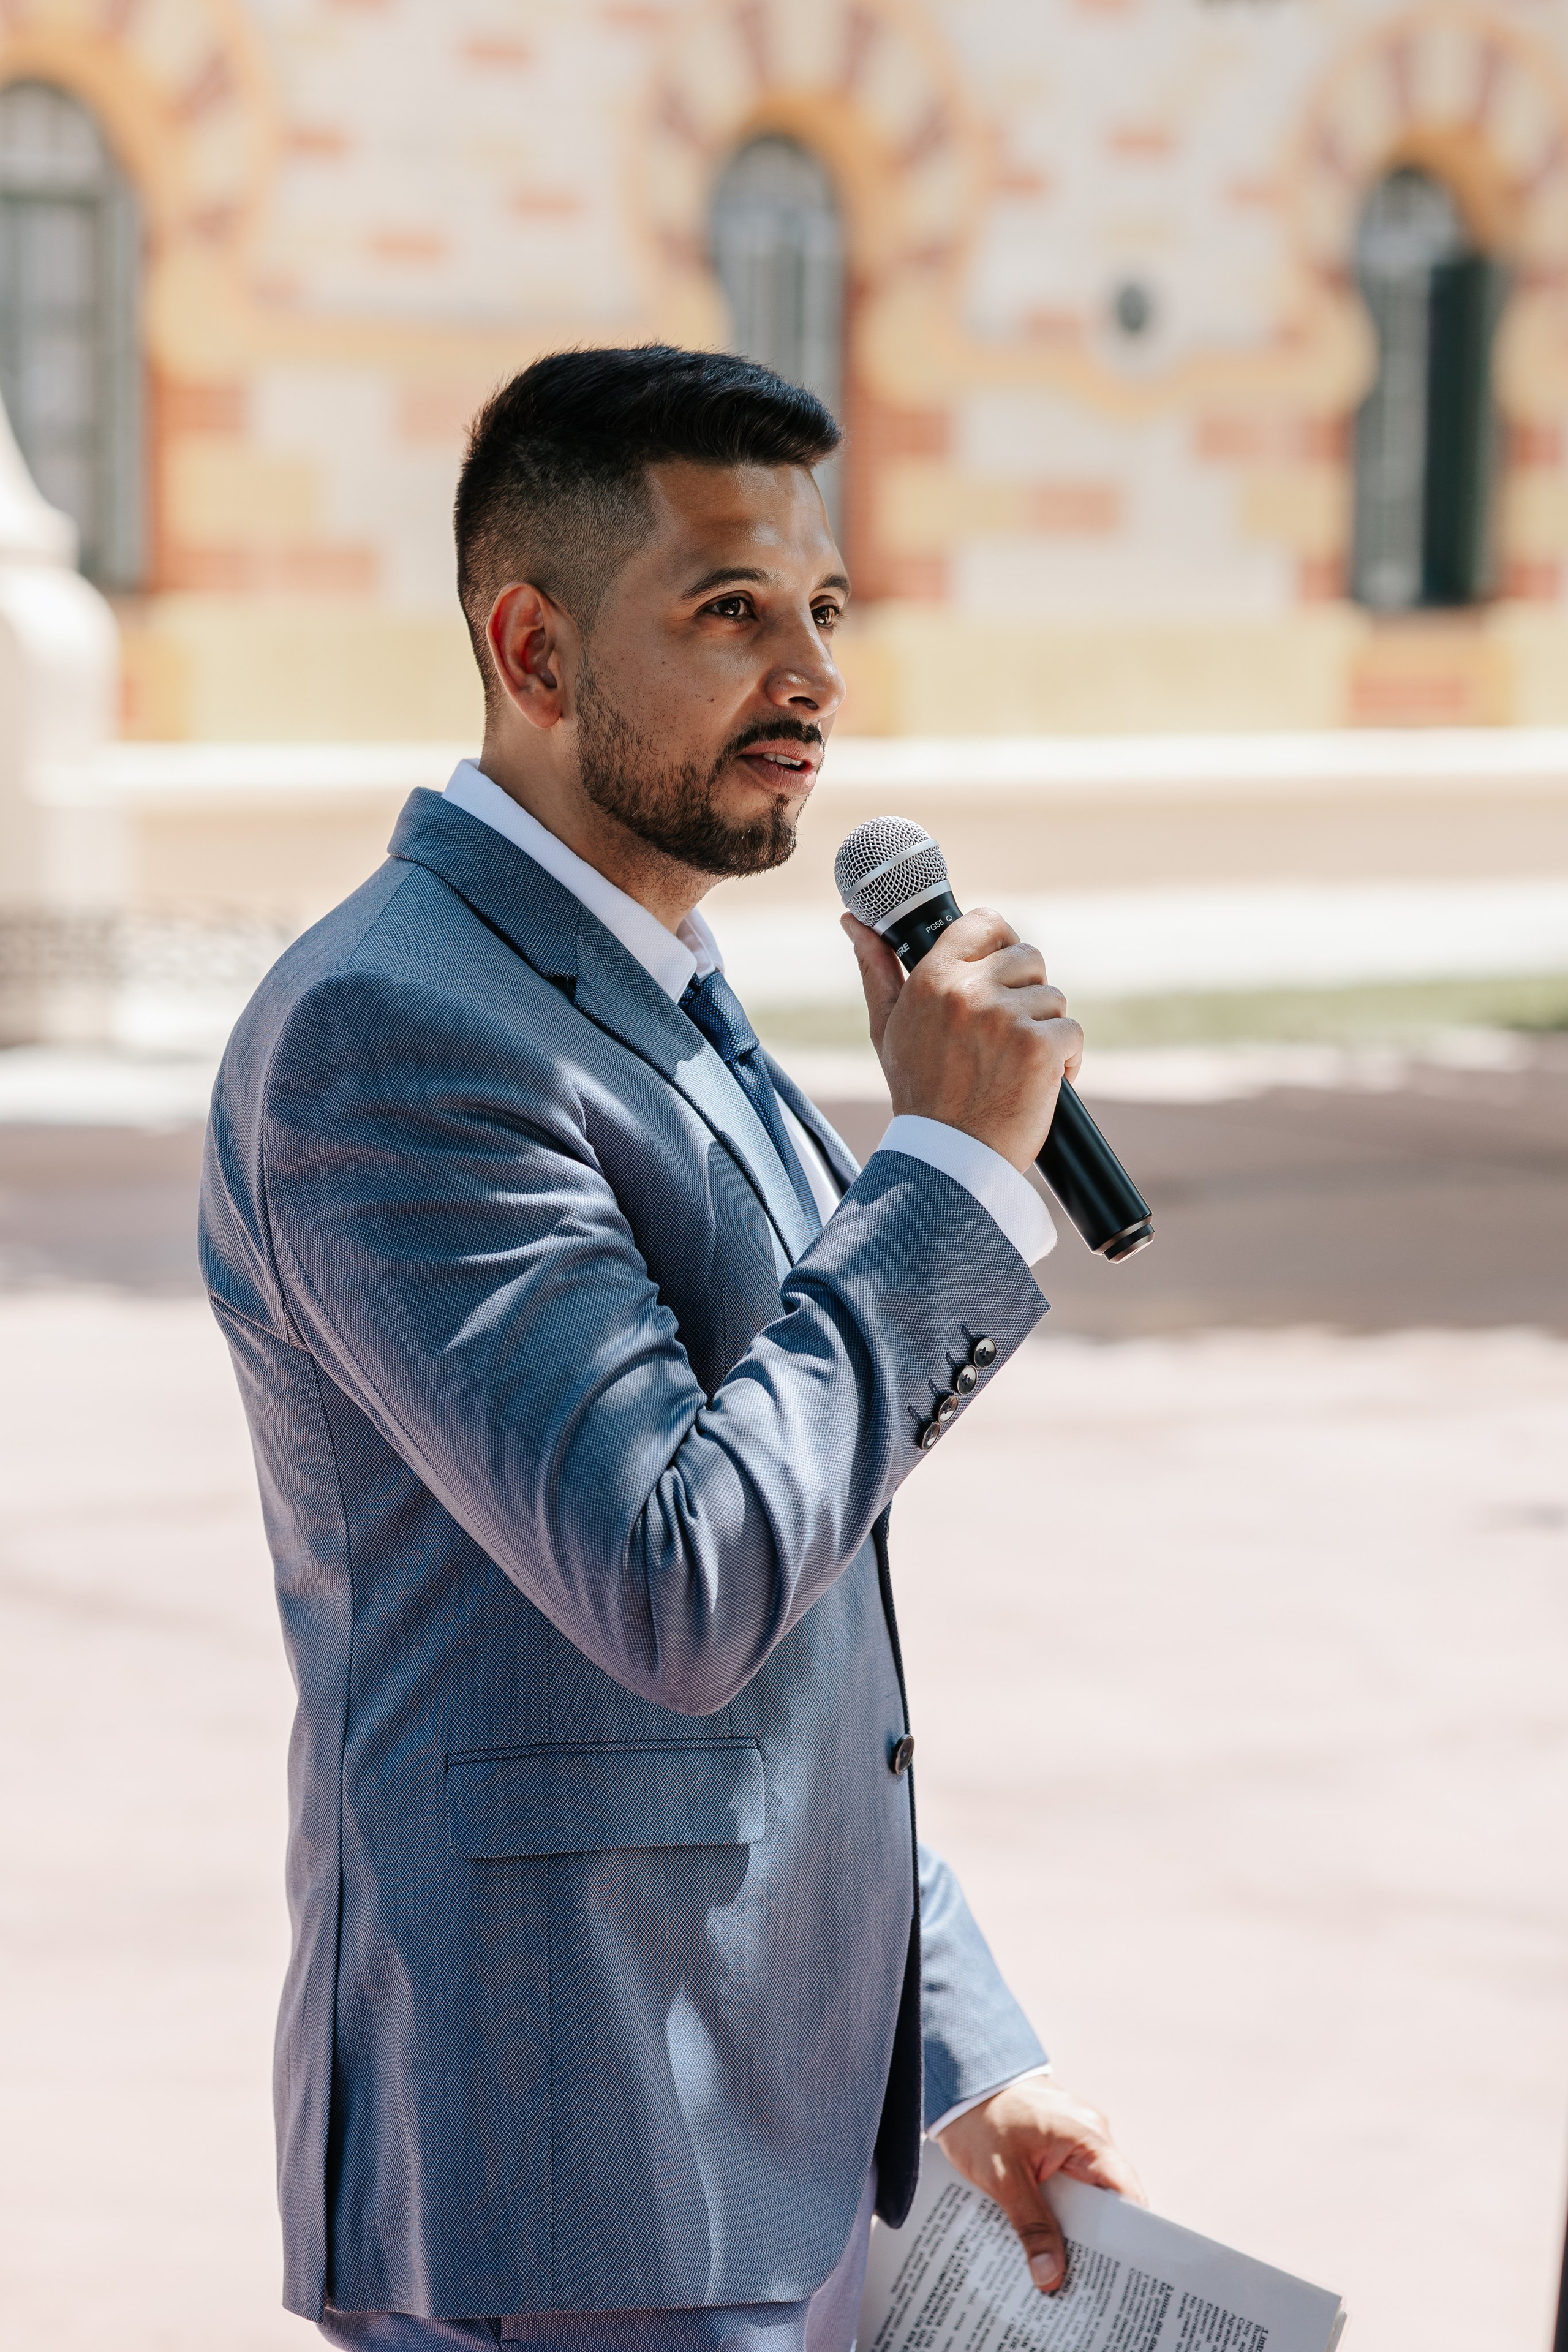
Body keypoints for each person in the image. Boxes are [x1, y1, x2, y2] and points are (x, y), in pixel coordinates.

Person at [200, 345, 1141, 2352]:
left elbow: (801, 1629)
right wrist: (957, 1176)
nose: (806, 675)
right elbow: (681, 1575)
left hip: (782, 2153)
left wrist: (958, 2049)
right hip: (568, 2186)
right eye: (729, 612)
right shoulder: (398, 1039)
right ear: (531, 649)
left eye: (822, 612)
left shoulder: (673, 989)